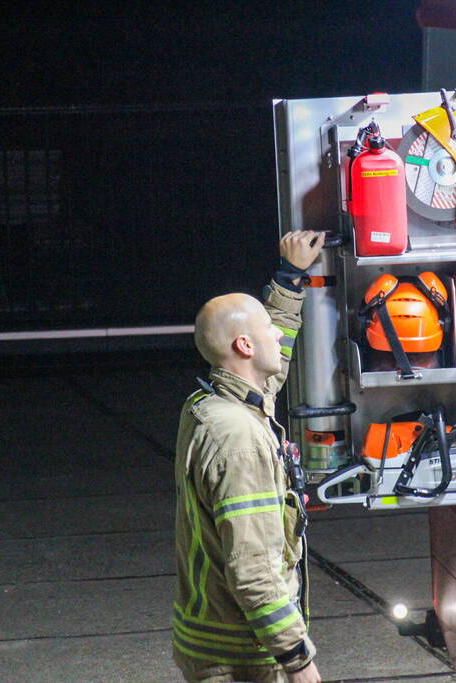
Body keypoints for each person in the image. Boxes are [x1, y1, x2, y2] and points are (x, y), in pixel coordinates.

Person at [172, 230, 326, 683]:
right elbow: (253, 569)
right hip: (240, 658)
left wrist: (290, 279)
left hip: (212, 639)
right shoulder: (239, 438)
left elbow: (267, 375)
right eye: (266, 331)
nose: (276, 335)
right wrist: (298, 660)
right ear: (244, 347)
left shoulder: (215, 405)